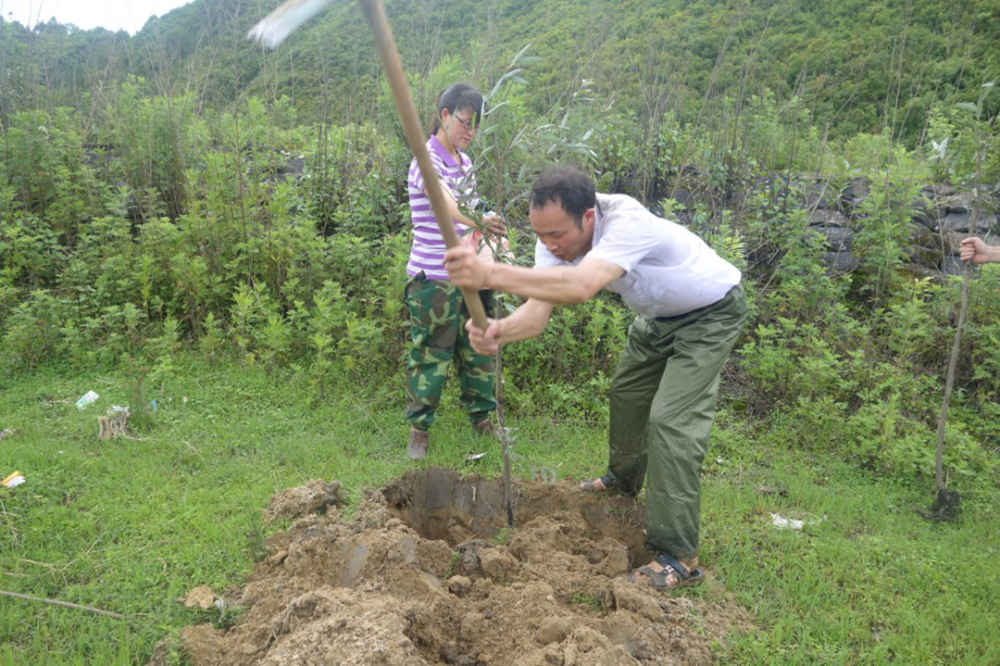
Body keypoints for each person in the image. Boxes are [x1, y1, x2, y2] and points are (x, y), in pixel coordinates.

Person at [444, 166, 748, 590]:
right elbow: (538, 310)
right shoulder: (554, 237)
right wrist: (500, 331)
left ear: (588, 218)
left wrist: (490, 274)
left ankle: (679, 555)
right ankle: (623, 480)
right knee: (626, 393)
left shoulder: (627, 220)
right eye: (542, 236)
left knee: (671, 419)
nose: (549, 245)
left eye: (557, 236)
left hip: (711, 312)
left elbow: (581, 285)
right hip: (658, 317)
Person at [403, 83, 506, 461]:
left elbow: (472, 205)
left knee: (477, 350)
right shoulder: (424, 161)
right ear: (444, 116)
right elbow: (447, 204)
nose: (470, 132)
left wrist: (490, 228)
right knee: (432, 353)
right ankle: (420, 431)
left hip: (471, 274)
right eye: (465, 122)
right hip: (433, 279)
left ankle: (483, 420)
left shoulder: (464, 163)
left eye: (475, 125)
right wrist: (480, 216)